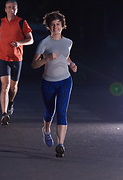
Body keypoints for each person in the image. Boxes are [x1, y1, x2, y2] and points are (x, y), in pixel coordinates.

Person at [31, 11, 77, 158]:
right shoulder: (44, 43)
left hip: (65, 81)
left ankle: (60, 145)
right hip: (48, 82)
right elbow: (34, 64)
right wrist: (47, 59)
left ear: (63, 26)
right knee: (50, 111)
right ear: (49, 27)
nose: (56, 27)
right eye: (53, 25)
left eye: (58, 24)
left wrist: (71, 64)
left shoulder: (68, 42)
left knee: (62, 111)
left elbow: (66, 56)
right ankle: (46, 130)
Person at [0, 0, 33, 125]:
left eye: (13, 7)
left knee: (13, 87)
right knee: (5, 85)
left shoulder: (22, 22)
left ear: (17, 9)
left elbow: (31, 40)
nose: (11, 9)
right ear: (5, 9)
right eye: (9, 7)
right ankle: (4, 114)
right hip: (2, 57)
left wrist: (19, 43)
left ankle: (11, 103)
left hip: (17, 58)